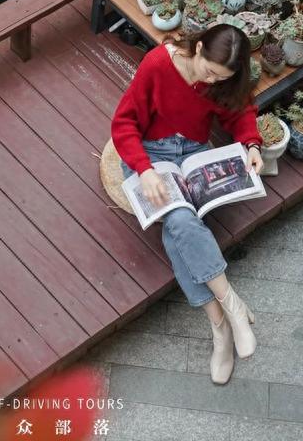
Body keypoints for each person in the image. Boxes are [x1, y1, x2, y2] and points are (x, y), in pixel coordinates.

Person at [111, 23, 264, 386]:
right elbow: (123, 123)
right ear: (197, 49)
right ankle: (229, 309)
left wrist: (252, 144)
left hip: (193, 153)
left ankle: (220, 327)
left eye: (221, 78)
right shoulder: (157, 65)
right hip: (149, 155)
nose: (212, 81)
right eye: (209, 72)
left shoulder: (221, 80)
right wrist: (145, 170)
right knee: (180, 220)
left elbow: (238, 110)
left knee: (177, 227)